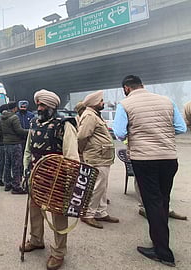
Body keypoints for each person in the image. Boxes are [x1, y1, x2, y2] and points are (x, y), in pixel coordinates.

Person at [113, 75, 186, 267]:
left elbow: (119, 132)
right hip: (169, 158)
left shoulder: (125, 104)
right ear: (142, 85)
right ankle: (160, 241)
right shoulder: (167, 101)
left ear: (126, 88)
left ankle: (163, 253)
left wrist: (137, 131)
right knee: (163, 201)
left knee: (152, 203)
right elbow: (180, 127)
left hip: (144, 159)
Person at [21, 89, 79, 270]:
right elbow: (28, 149)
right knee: (34, 208)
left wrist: (70, 179)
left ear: (52, 106)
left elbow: (72, 155)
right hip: (37, 174)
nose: (39, 107)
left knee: (58, 214)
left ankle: (58, 253)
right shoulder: (33, 123)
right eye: (38, 104)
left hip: (57, 176)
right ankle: (36, 240)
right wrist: (25, 171)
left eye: (43, 104)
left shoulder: (65, 125)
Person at [77, 90, 119, 229]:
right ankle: (88, 214)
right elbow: (82, 136)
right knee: (97, 186)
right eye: (101, 101)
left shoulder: (95, 115)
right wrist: (82, 152)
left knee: (102, 186)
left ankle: (101, 212)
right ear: (95, 103)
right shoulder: (89, 115)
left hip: (102, 156)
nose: (103, 103)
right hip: (96, 157)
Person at [1, 101, 28, 194]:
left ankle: (7, 184)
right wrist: (30, 132)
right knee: (16, 165)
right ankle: (16, 187)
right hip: (15, 143)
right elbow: (19, 131)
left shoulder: (3, 117)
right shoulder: (14, 117)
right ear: (14, 108)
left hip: (6, 143)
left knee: (7, 165)